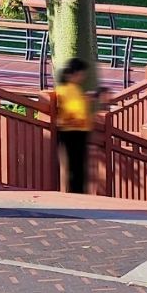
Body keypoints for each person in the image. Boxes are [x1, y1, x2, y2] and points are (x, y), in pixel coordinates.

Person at [53, 58, 93, 195]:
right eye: (81, 73)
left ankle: (78, 192)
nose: (83, 76)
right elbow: (73, 111)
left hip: (79, 131)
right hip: (71, 132)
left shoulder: (75, 89)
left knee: (79, 166)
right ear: (72, 74)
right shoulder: (65, 90)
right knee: (74, 167)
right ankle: (76, 194)